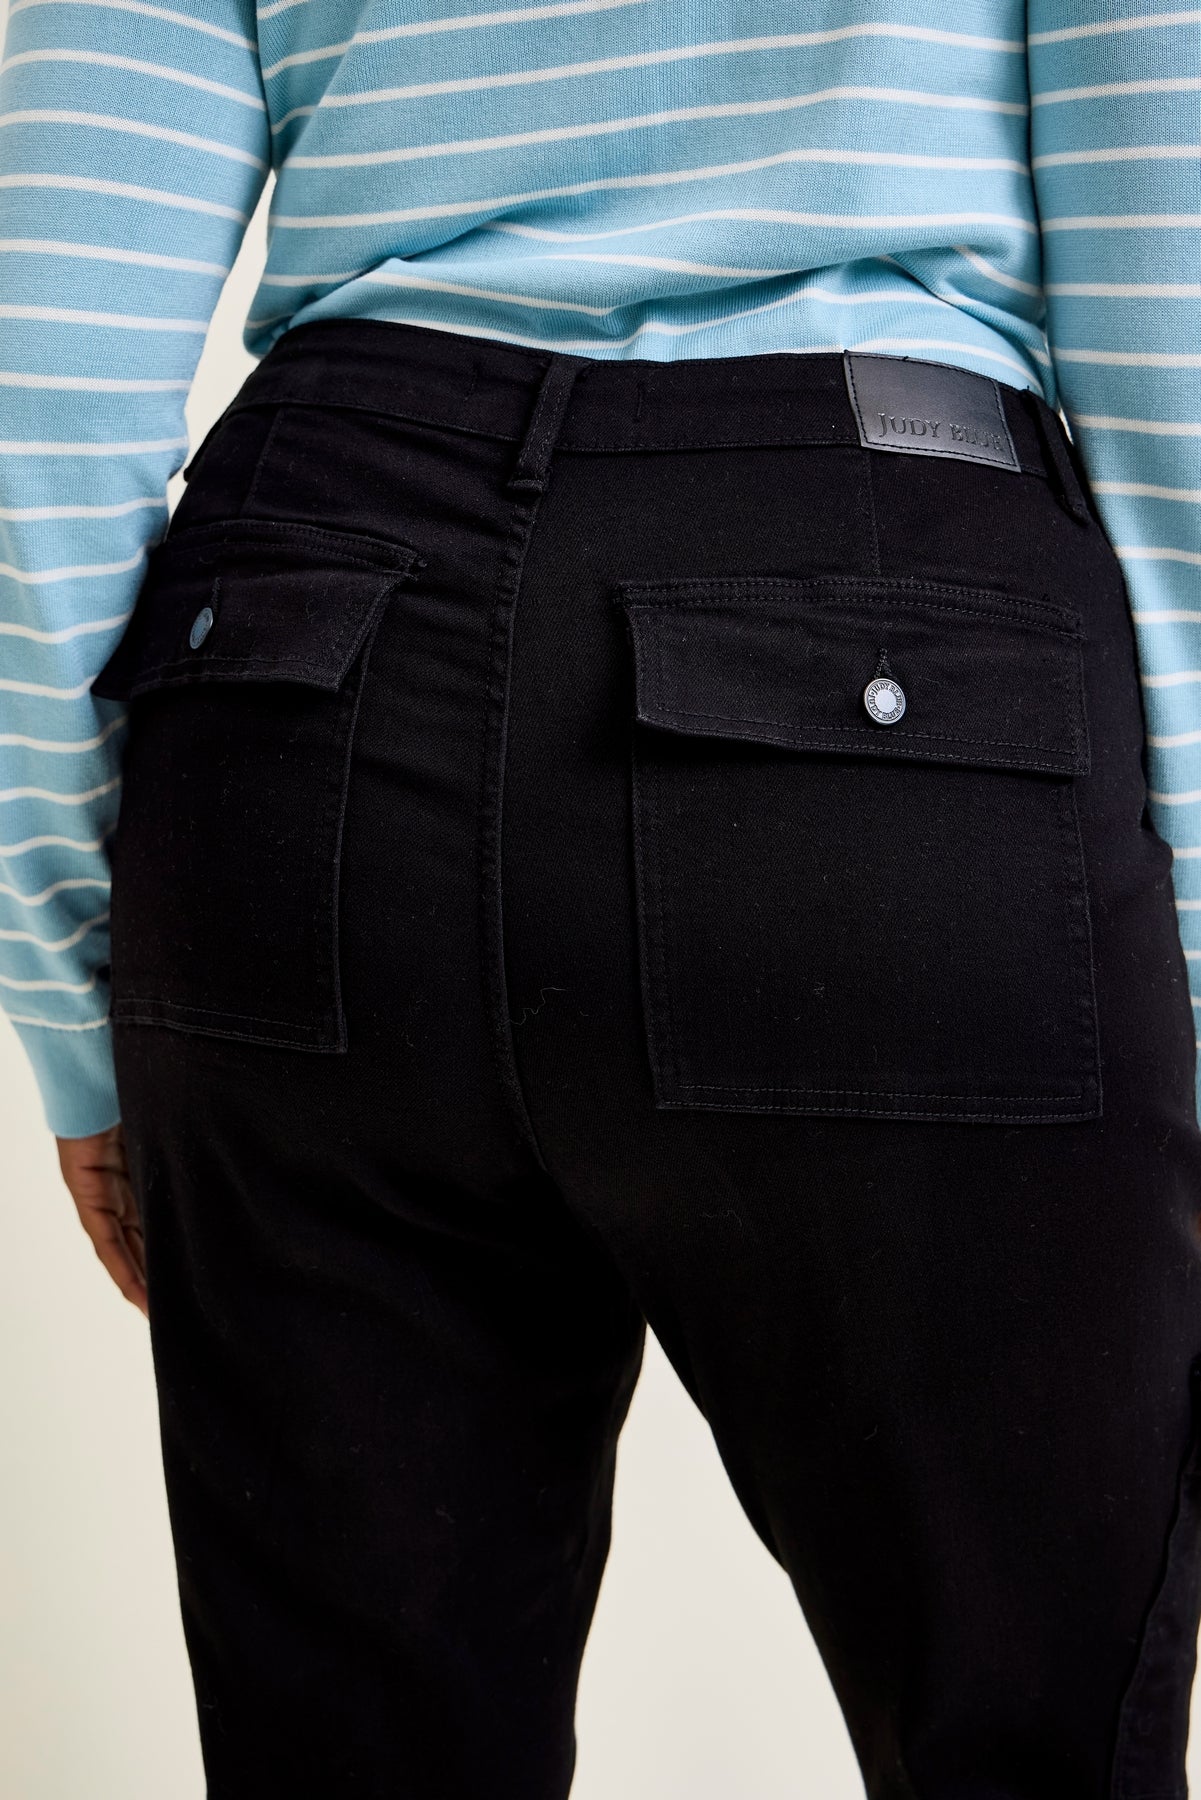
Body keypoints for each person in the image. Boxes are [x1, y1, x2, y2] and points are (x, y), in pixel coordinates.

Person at [3, 3, 1200, 1795]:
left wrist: (77, 996)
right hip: (896, 636)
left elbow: (35, 368)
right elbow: (1171, 268)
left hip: (308, 664)